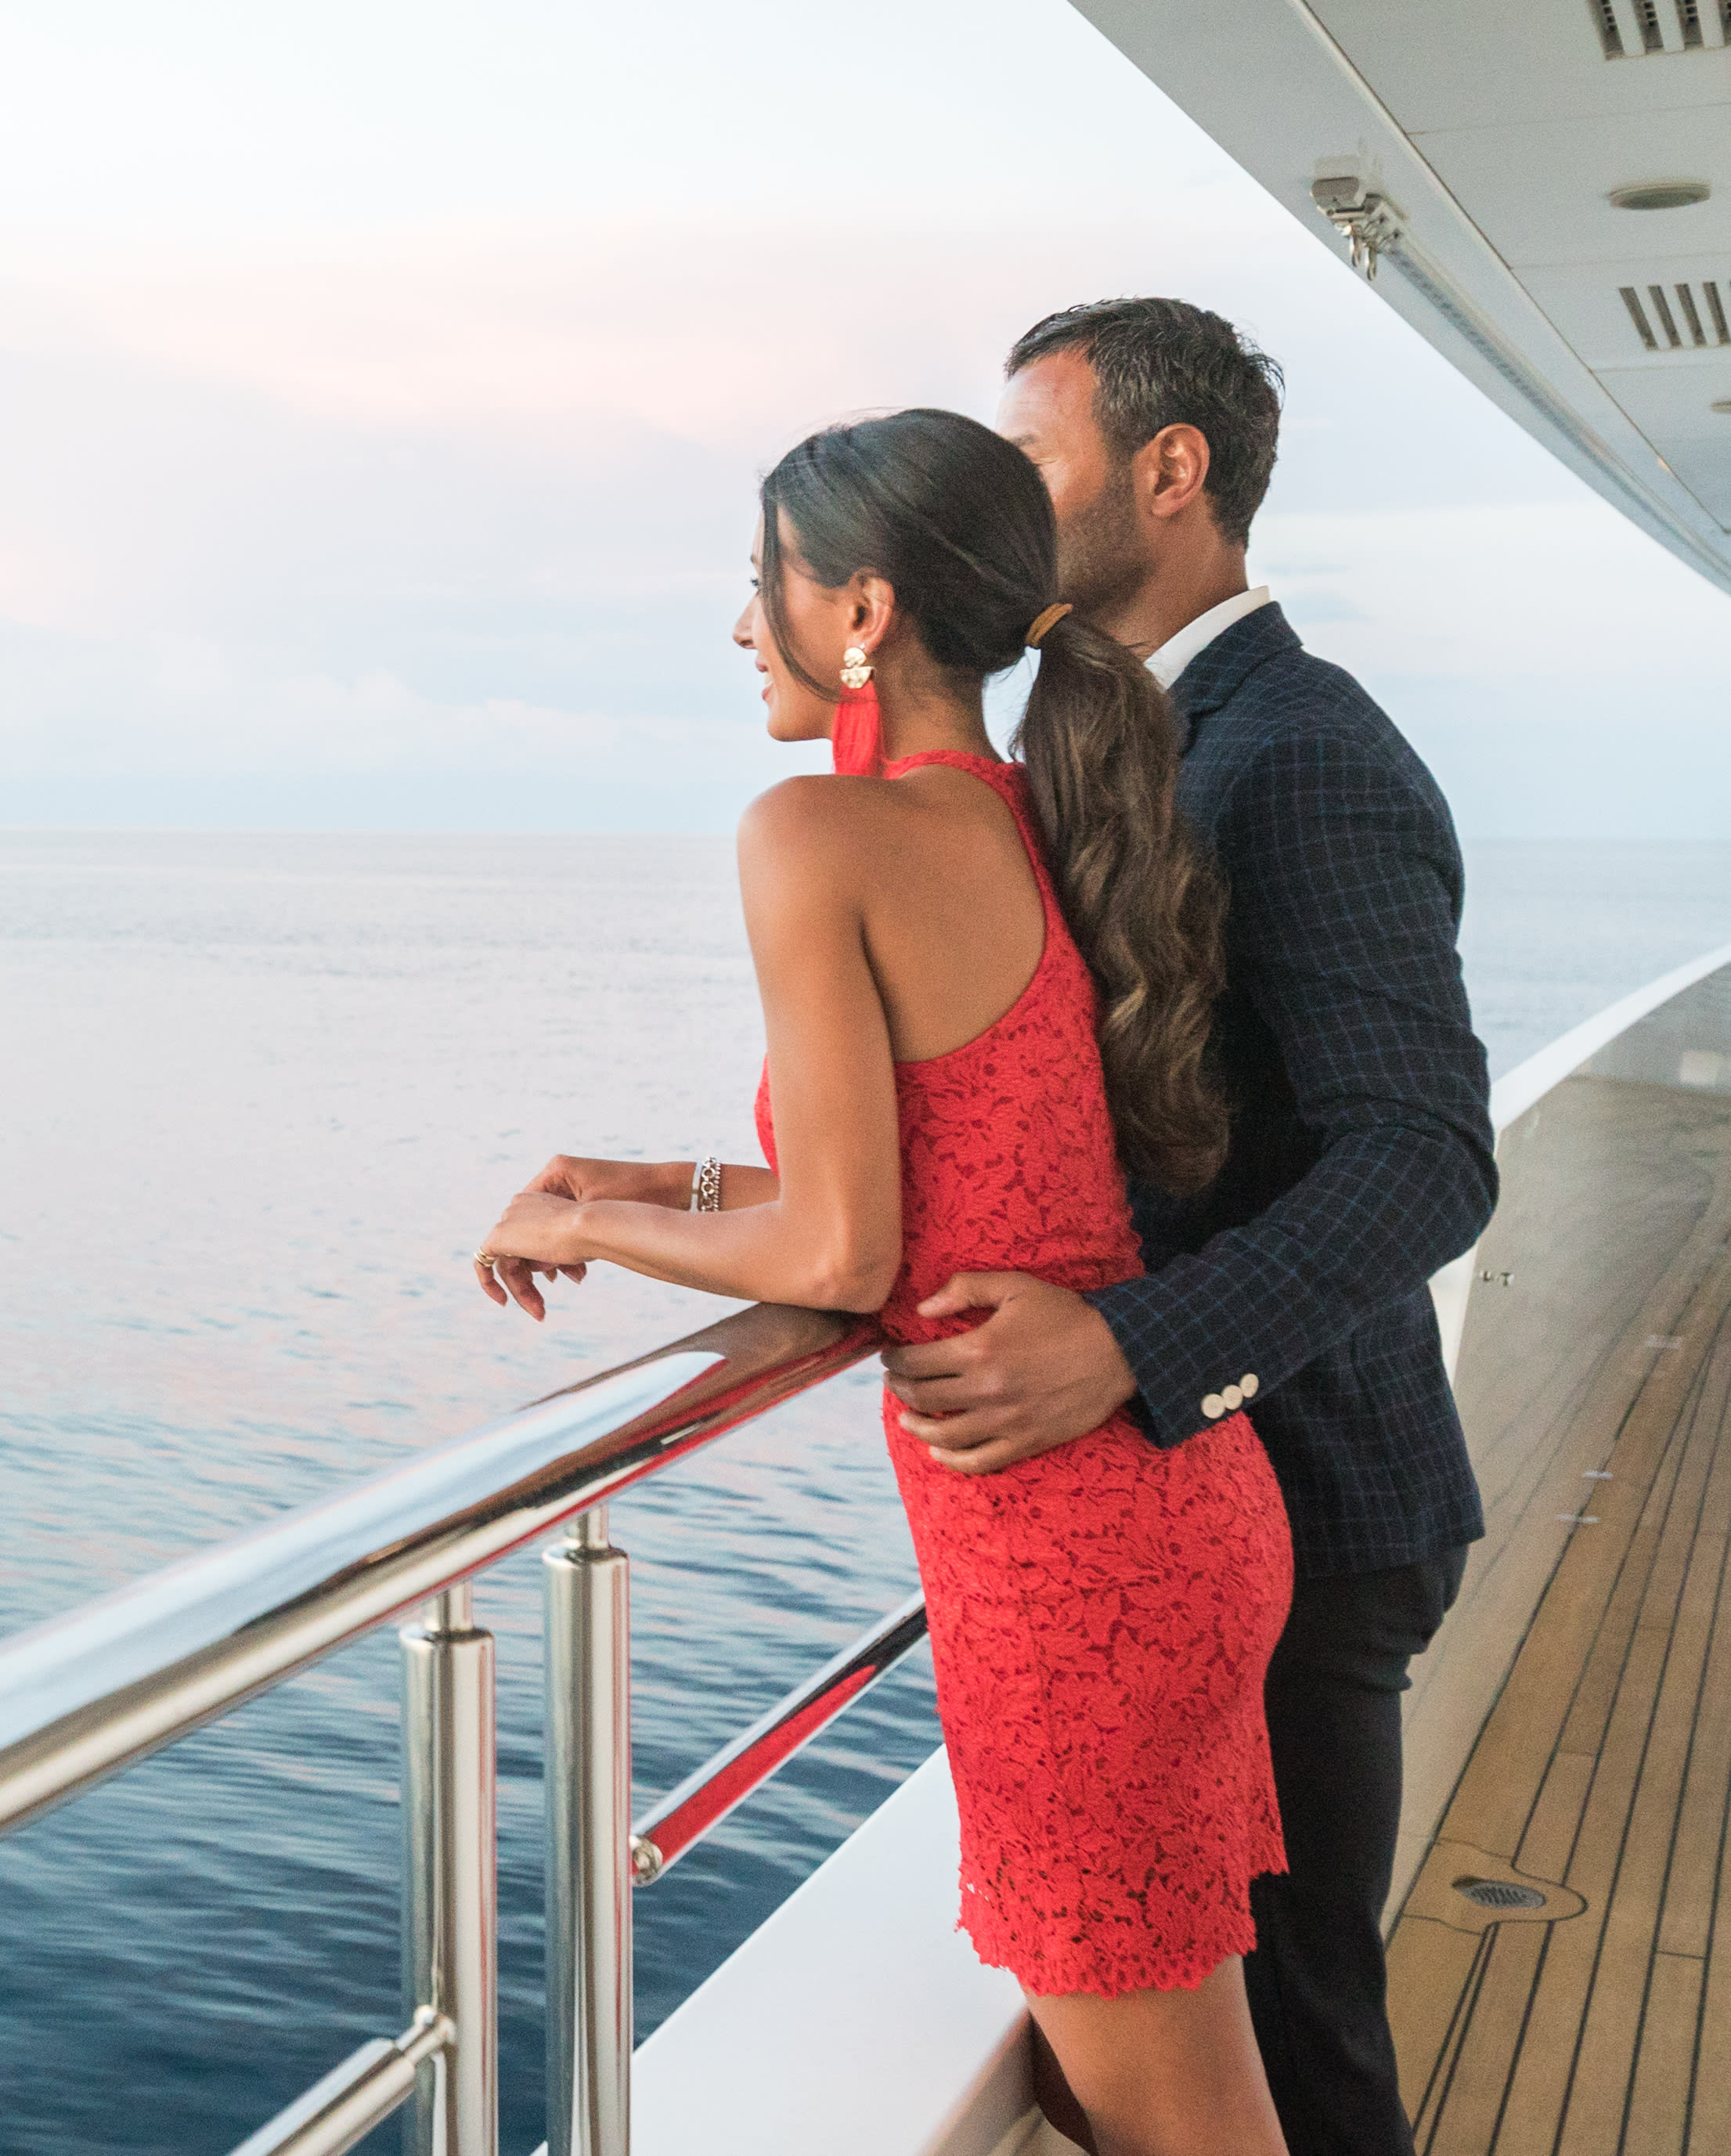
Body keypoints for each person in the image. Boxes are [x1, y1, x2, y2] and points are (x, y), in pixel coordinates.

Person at [474, 406, 1293, 2156]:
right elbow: (955, 1187)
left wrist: (585, 1232)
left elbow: (844, 1260)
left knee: (1190, 2133)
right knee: (1171, 2101)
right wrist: (658, 1178)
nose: (735, 623)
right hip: (1155, 1515)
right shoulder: (1016, 813)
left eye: (754, 579)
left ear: (859, 610)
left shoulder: (809, 834)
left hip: (1065, 1565)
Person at [882, 301, 1491, 2156]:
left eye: (1030, 459)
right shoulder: (1129, 737)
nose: (993, 498)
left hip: (1301, 1504)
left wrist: (1131, 1349)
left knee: (1302, 2065)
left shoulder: (1293, 746)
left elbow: (1427, 1157)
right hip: (1192, 1509)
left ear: (1170, 474)